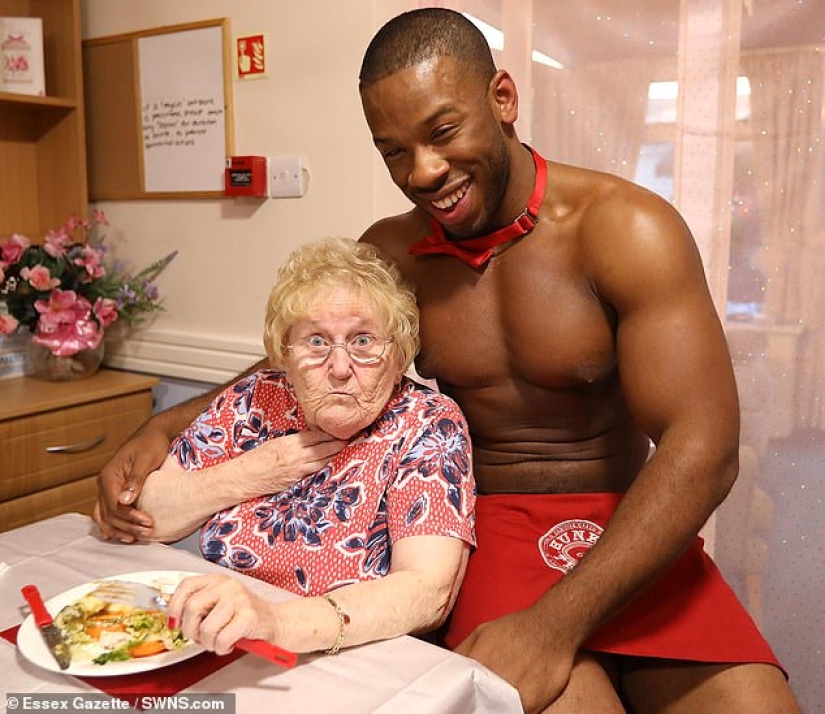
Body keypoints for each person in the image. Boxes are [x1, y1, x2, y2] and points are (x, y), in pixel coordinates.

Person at [95, 8, 800, 713]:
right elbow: (307, 351)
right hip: (488, 531)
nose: (424, 171)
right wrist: (169, 423)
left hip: (627, 531)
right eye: (394, 152)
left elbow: (704, 447)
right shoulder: (394, 253)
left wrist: (554, 625)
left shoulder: (627, 228)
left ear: (503, 98)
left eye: (441, 133)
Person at [131, 237, 476, 656]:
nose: (340, 367)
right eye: (316, 341)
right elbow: (150, 515)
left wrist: (276, 623)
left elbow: (426, 592)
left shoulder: (426, 422)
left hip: (353, 656)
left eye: (363, 341)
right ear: (285, 353)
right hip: (221, 640)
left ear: (398, 353)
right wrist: (250, 473)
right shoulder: (253, 400)